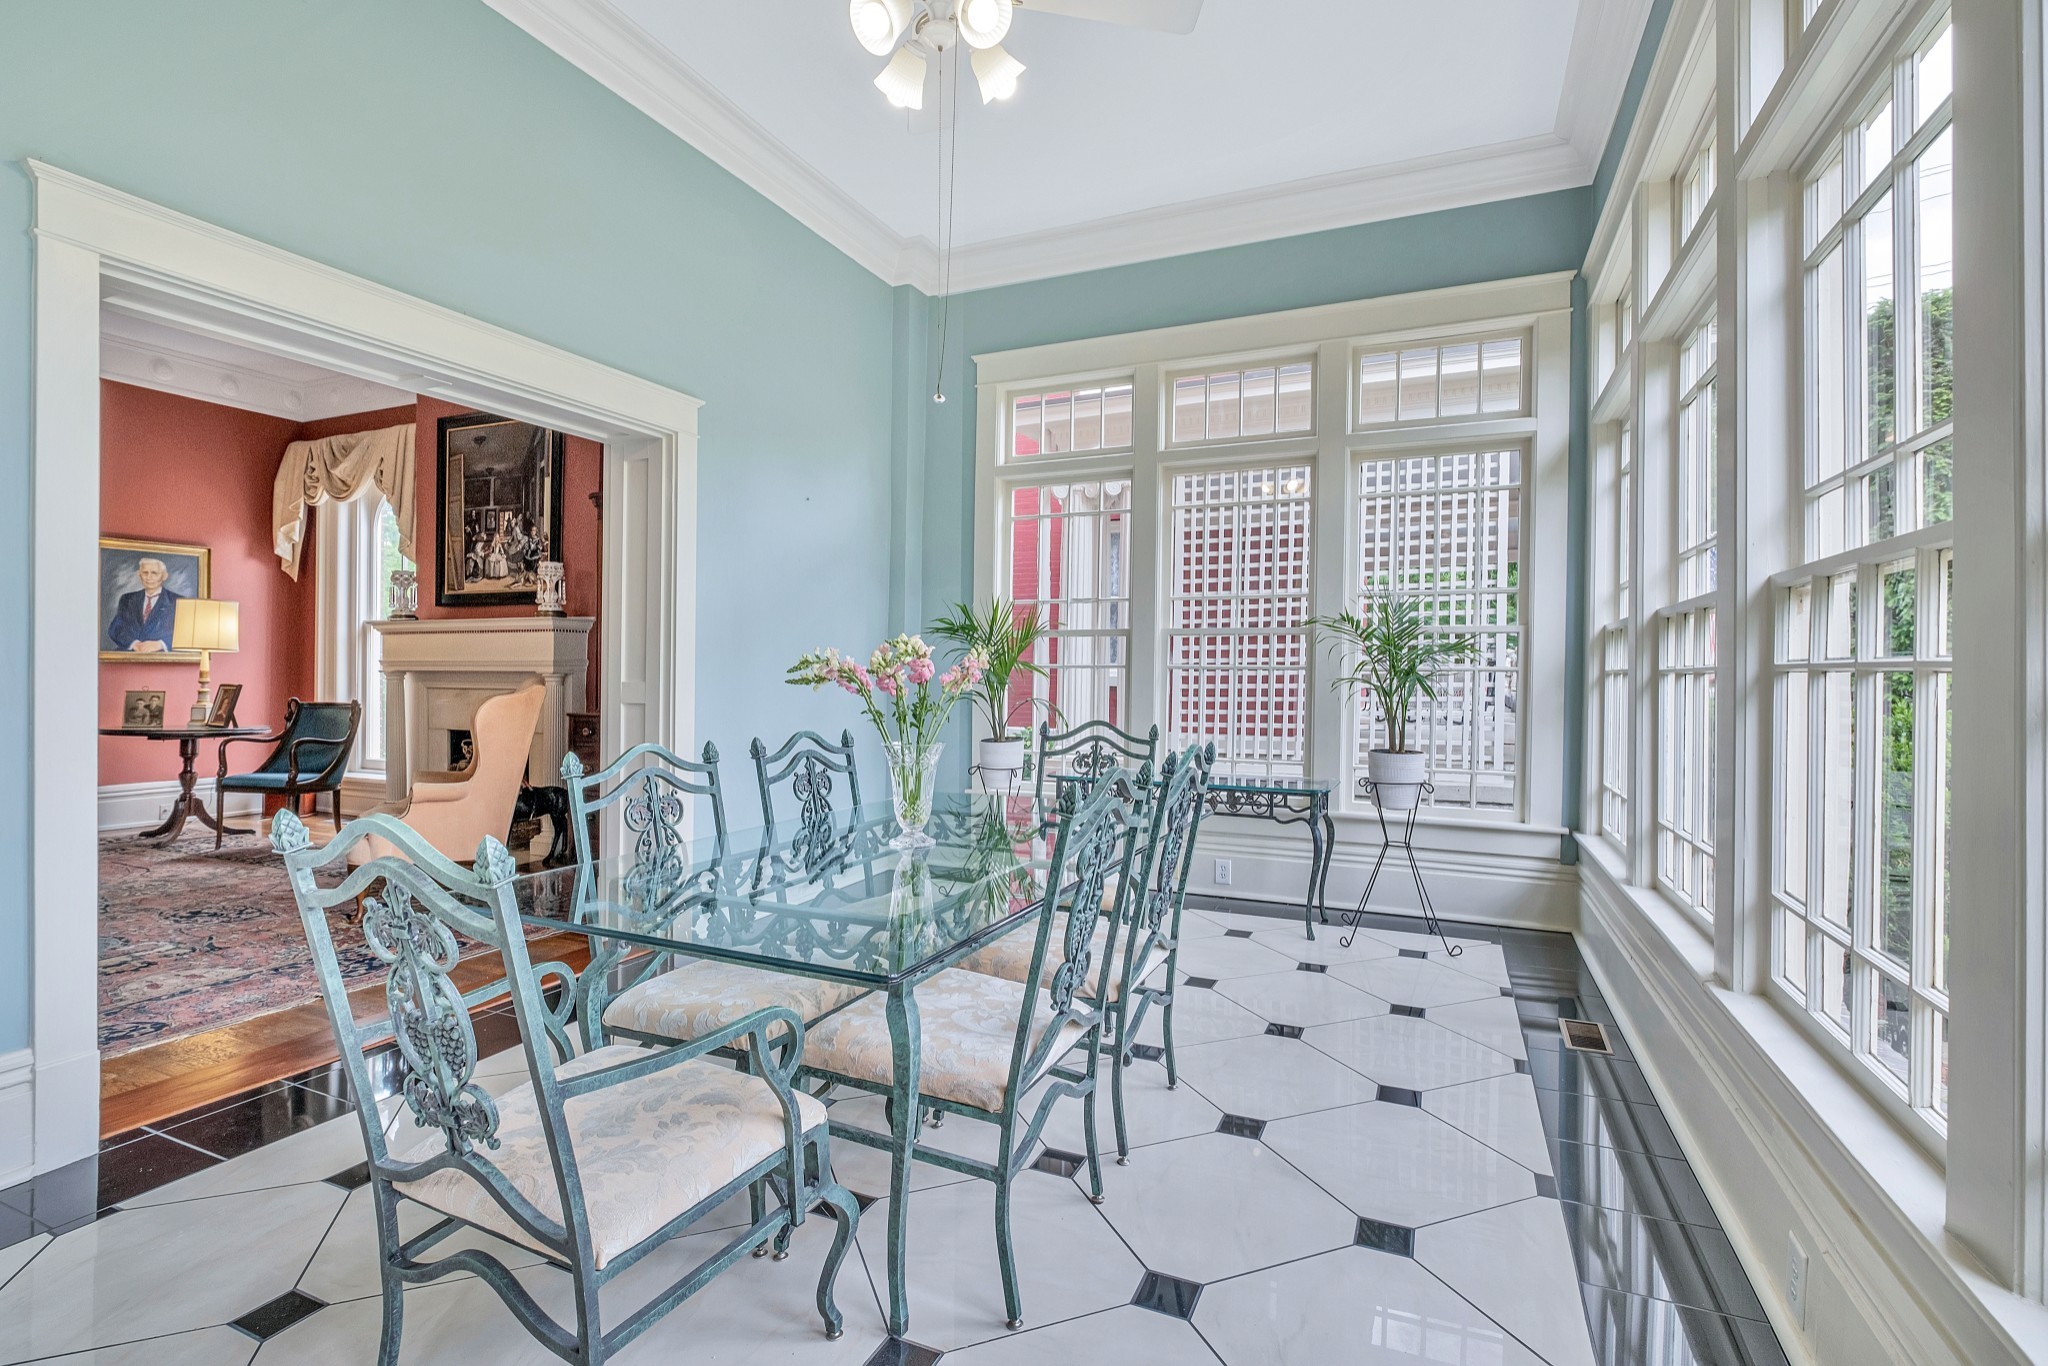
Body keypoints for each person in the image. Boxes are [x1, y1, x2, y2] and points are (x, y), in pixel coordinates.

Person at [107, 557, 181, 653]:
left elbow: (185, 634)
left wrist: (160, 644)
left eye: (154, 573)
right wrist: (134, 644)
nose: (149, 577)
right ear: (139, 574)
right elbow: (115, 629)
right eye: (145, 573)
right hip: (128, 657)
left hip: (162, 659)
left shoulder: (178, 601)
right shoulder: (127, 599)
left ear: (164, 576)